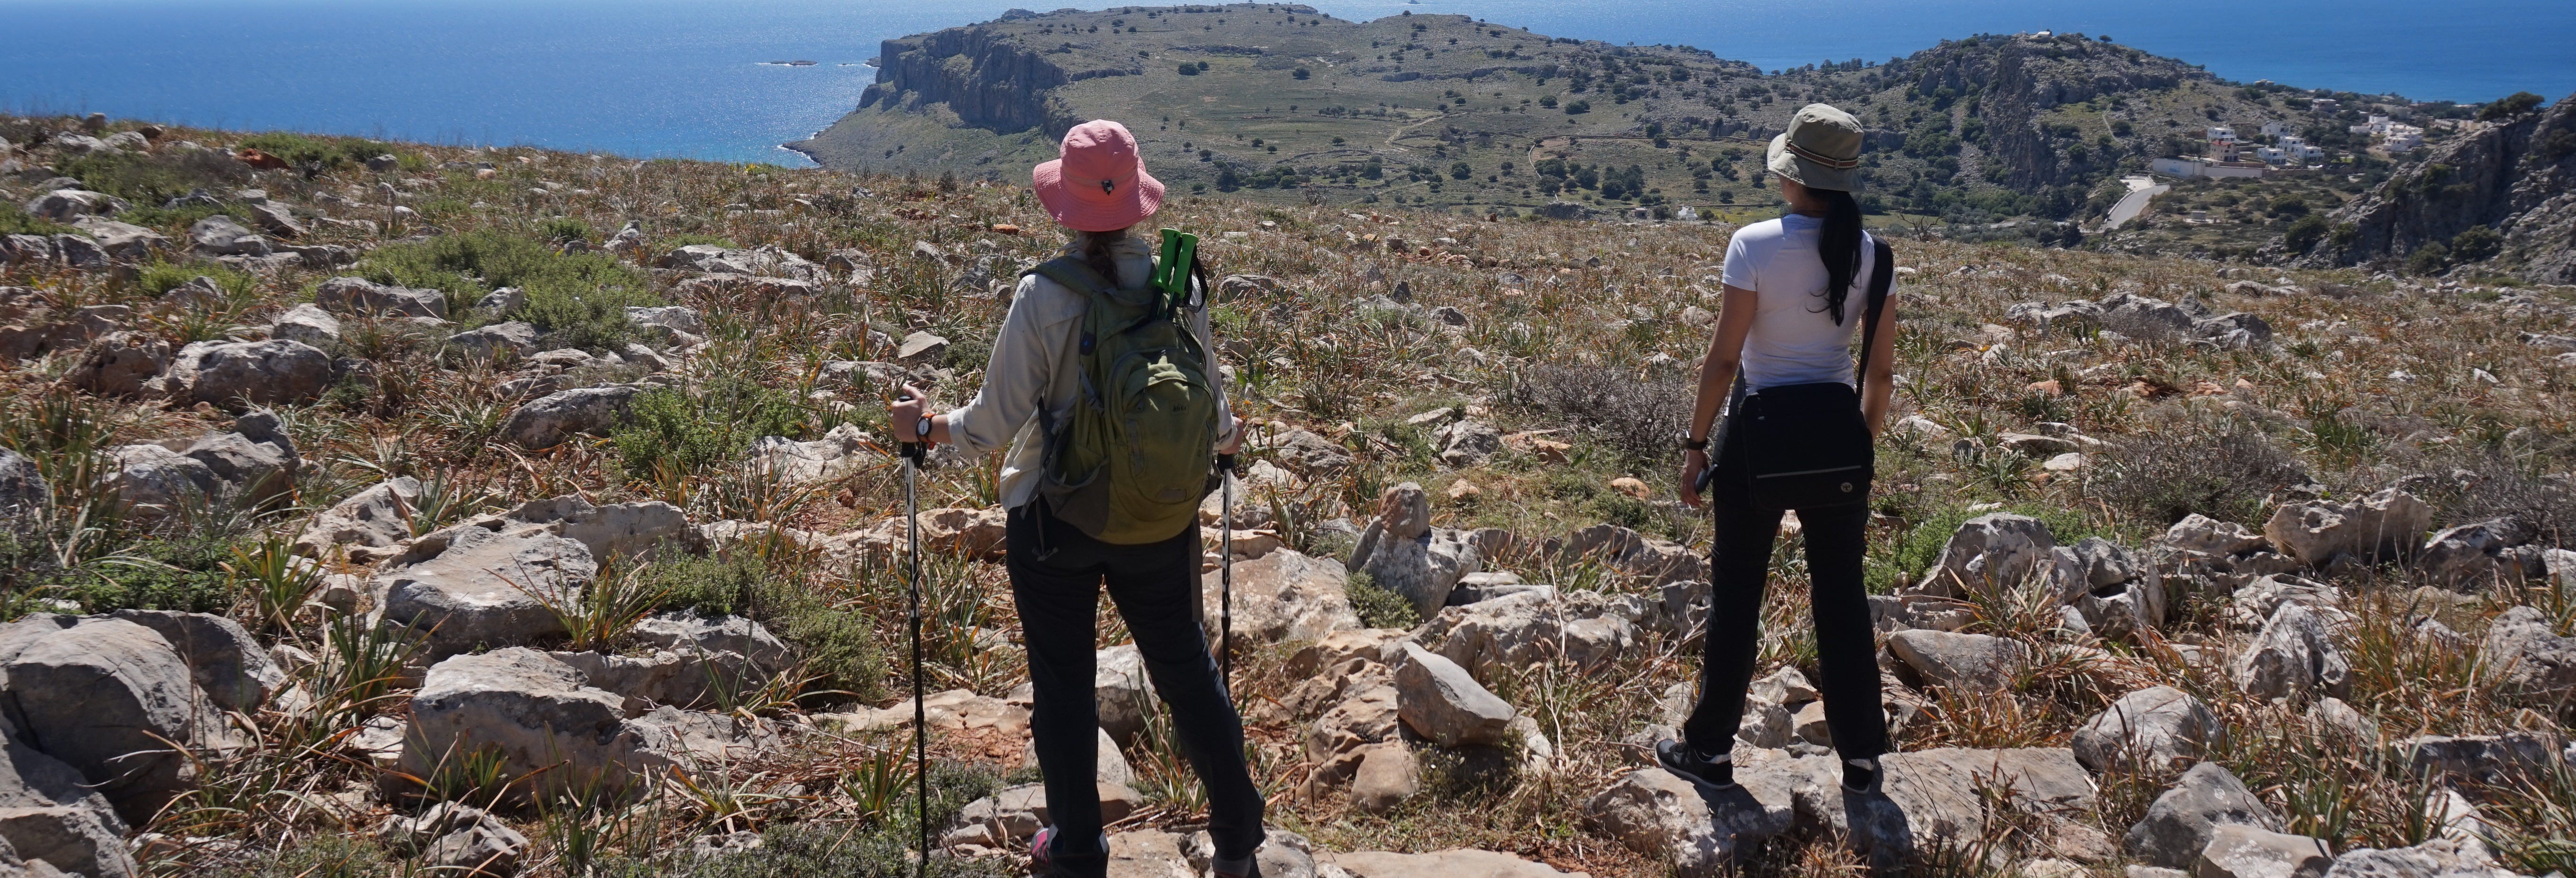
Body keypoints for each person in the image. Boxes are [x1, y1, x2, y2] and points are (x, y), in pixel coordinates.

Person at [888, 119, 1264, 878]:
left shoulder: (1041, 295)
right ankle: (1237, 838)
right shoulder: (1179, 280)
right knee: (1187, 671)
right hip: (1159, 518)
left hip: (1055, 524)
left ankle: (1077, 850)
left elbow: (992, 426)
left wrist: (924, 427)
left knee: (1065, 687)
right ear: (1137, 201)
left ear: (1062, 204)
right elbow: (1214, 411)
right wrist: (1224, 442)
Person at [1668, 103, 1898, 795]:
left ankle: (1709, 750)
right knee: (1842, 596)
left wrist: (1696, 444)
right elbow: (1880, 373)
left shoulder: (1753, 245)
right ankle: (1860, 757)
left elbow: (1723, 360)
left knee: (1738, 593)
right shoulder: (1875, 256)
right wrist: (1860, 446)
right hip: (1836, 441)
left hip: (1755, 442)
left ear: (1791, 176)